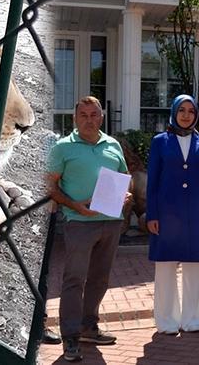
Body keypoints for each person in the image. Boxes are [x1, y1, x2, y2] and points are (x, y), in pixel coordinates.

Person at [47, 96, 130, 362]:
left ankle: (88, 327)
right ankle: (70, 336)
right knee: (74, 279)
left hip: (111, 221)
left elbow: (123, 178)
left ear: (101, 118)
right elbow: (49, 186)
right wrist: (75, 206)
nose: (89, 120)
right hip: (79, 222)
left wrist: (125, 194)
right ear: (75, 119)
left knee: (100, 279)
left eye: (94, 115)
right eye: (83, 115)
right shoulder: (62, 148)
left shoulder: (113, 145)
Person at [146, 95, 199, 335]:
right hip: (166, 214)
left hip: (196, 213)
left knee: (193, 267)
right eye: (182, 110)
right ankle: (167, 321)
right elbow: (152, 181)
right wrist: (152, 214)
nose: (186, 115)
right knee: (165, 268)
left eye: (191, 111)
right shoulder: (160, 142)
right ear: (174, 112)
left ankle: (192, 320)